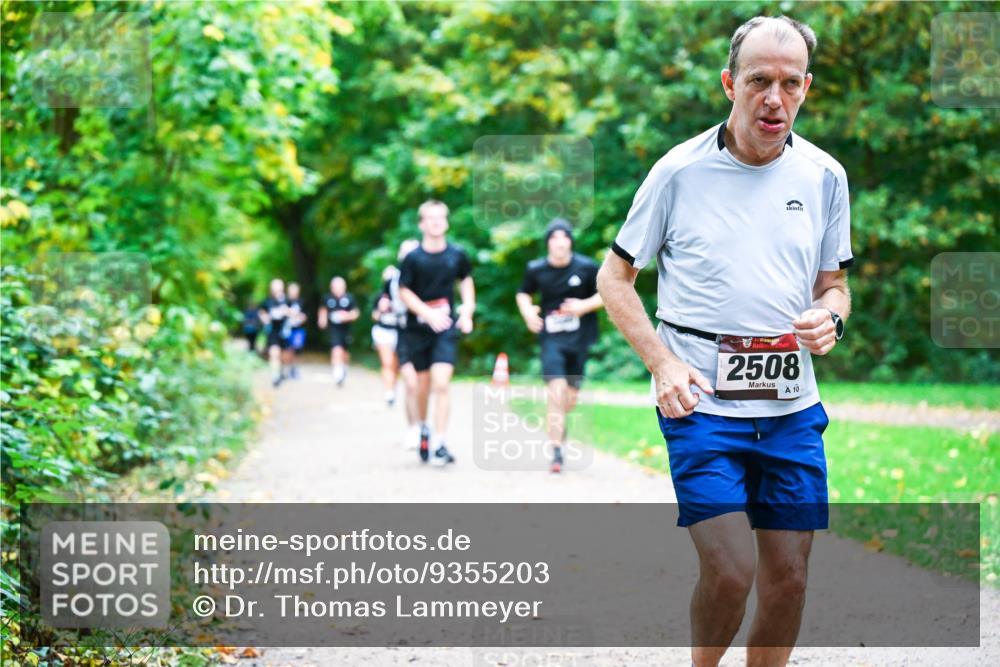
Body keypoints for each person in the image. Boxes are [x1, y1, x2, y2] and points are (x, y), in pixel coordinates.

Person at [596, 16, 852, 667]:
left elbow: (834, 285)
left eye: (790, 83)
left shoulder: (825, 176)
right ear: (728, 83)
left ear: (806, 87)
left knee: (789, 578)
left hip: (792, 404)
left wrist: (832, 315)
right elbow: (615, 278)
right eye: (759, 80)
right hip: (701, 401)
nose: (774, 98)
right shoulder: (678, 172)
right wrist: (661, 362)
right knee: (734, 568)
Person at [516, 218, 603, 473]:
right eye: (553, 238)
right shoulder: (536, 269)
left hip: (579, 339)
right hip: (551, 339)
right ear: (548, 244)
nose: (559, 243)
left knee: (569, 399)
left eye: (564, 237)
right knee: (556, 392)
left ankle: (558, 425)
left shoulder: (587, 267)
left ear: (570, 242)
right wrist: (527, 311)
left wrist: (583, 306)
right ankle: (556, 452)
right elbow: (523, 292)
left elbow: (608, 291)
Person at [398, 200, 475, 466]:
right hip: (416, 330)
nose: (436, 222)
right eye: (430, 218)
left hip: (444, 328)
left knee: (441, 384)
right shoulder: (413, 257)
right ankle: (423, 427)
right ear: (421, 223)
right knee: (421, 386)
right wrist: (426, 313)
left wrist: (467, 311)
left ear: (446, 222)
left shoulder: (457, 254)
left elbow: (466, 281)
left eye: (440, 217)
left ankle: (440, 443)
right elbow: (403, 291)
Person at [318, 276, 359, 387]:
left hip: (346, 329)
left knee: (345, 353)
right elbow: (323, 310)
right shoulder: (327, 298)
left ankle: (344, 368)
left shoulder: (349, 298)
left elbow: (355, 313)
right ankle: (337, 374)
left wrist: (345, 316)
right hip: (333, 329)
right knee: (336, 350)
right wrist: (322, 320)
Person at [371, 266, 402, 406]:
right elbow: (374, 316)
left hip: (399, 332)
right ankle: (388, 392)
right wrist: (381, 310)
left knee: (396, 365)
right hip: (383, 332)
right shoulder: (379, 296)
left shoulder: (402, 295)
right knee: (387, 363)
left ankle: (394, 387)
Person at [258, 278, 291, 387]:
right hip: (273, 330)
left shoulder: (287, 300)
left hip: (285, 331)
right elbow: (262, 313)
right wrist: (265, 318)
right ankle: (275, 376)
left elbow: (295, 313)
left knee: (284, 355)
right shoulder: (267, 301)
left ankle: (283, 371)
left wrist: (287, 311)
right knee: (274, 352)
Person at [284, 282, 307, 379]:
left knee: (296, 348)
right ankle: (288, 368)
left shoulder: (302, 302)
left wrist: (300, 317)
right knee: (288, 349)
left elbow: (305, 316)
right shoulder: (284, 301)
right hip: (287, 329)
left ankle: (294, 368)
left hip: (298, 329)